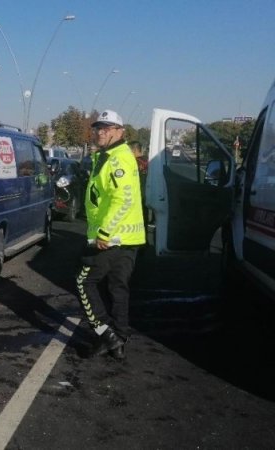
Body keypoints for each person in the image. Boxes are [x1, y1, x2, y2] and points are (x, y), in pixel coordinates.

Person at [76, 110, 146, 360]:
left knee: (84, 282)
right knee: (118, 288)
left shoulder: (117, 160)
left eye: (107, 128)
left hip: (111, 238)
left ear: (120, 131)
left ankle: (106, 334)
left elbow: (122, 200)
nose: (100, 132)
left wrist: (104, 233)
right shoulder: (110, 156)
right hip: (128, 238)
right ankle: (119, 340)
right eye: (98, 128)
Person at [129, 141, 150, 227]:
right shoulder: (149, 160)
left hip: (136, 196)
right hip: (147, 195)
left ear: (134, 150)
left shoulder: (133, 162)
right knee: (144, 218)